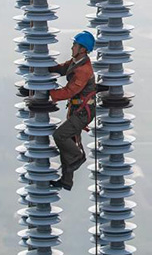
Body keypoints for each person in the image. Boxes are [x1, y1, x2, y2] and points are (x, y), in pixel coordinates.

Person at [49, 30, 97, 191]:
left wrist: (49, 93)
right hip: (77, 109)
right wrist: (49, 69)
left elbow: (70, 91)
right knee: (65, 142)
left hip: (83, 112)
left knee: (60, 136)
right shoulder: (77, 62)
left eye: (74, 45)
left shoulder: (84, 70)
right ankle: (66, 181)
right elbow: (64, 68)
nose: (72, 47)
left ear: (82, 49)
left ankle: (78, 156)